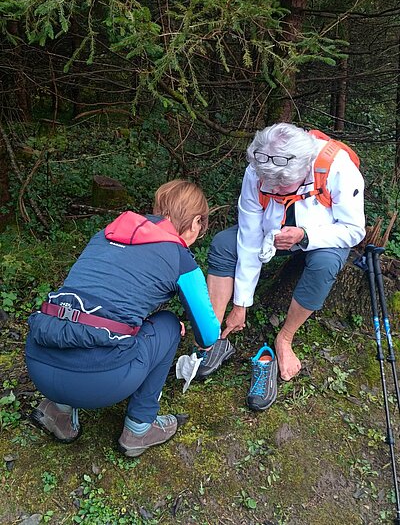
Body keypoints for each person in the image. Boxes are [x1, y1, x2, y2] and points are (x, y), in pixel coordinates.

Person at [25, 180, 220, 456]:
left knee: (83, 314)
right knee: (168, 325)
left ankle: (58, 410)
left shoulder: (105, 234)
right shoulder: (180, 258)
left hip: (39, 362)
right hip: (101, 380)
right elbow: (208, 335)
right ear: (195, 222)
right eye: (202, 225)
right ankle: (140, 427)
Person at [197, 123, 365, 408]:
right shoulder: (258, 169)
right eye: (268, 185)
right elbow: (249, 237)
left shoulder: (336, 167)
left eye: (281, 186)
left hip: (323, 236)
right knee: (225, 244)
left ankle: (285, 338)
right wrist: (241, 304)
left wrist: (306, 236)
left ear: (304, 170)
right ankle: (214, 335)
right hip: (271, 235)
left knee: (325, 263)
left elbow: (353, 229)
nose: (273, 189)